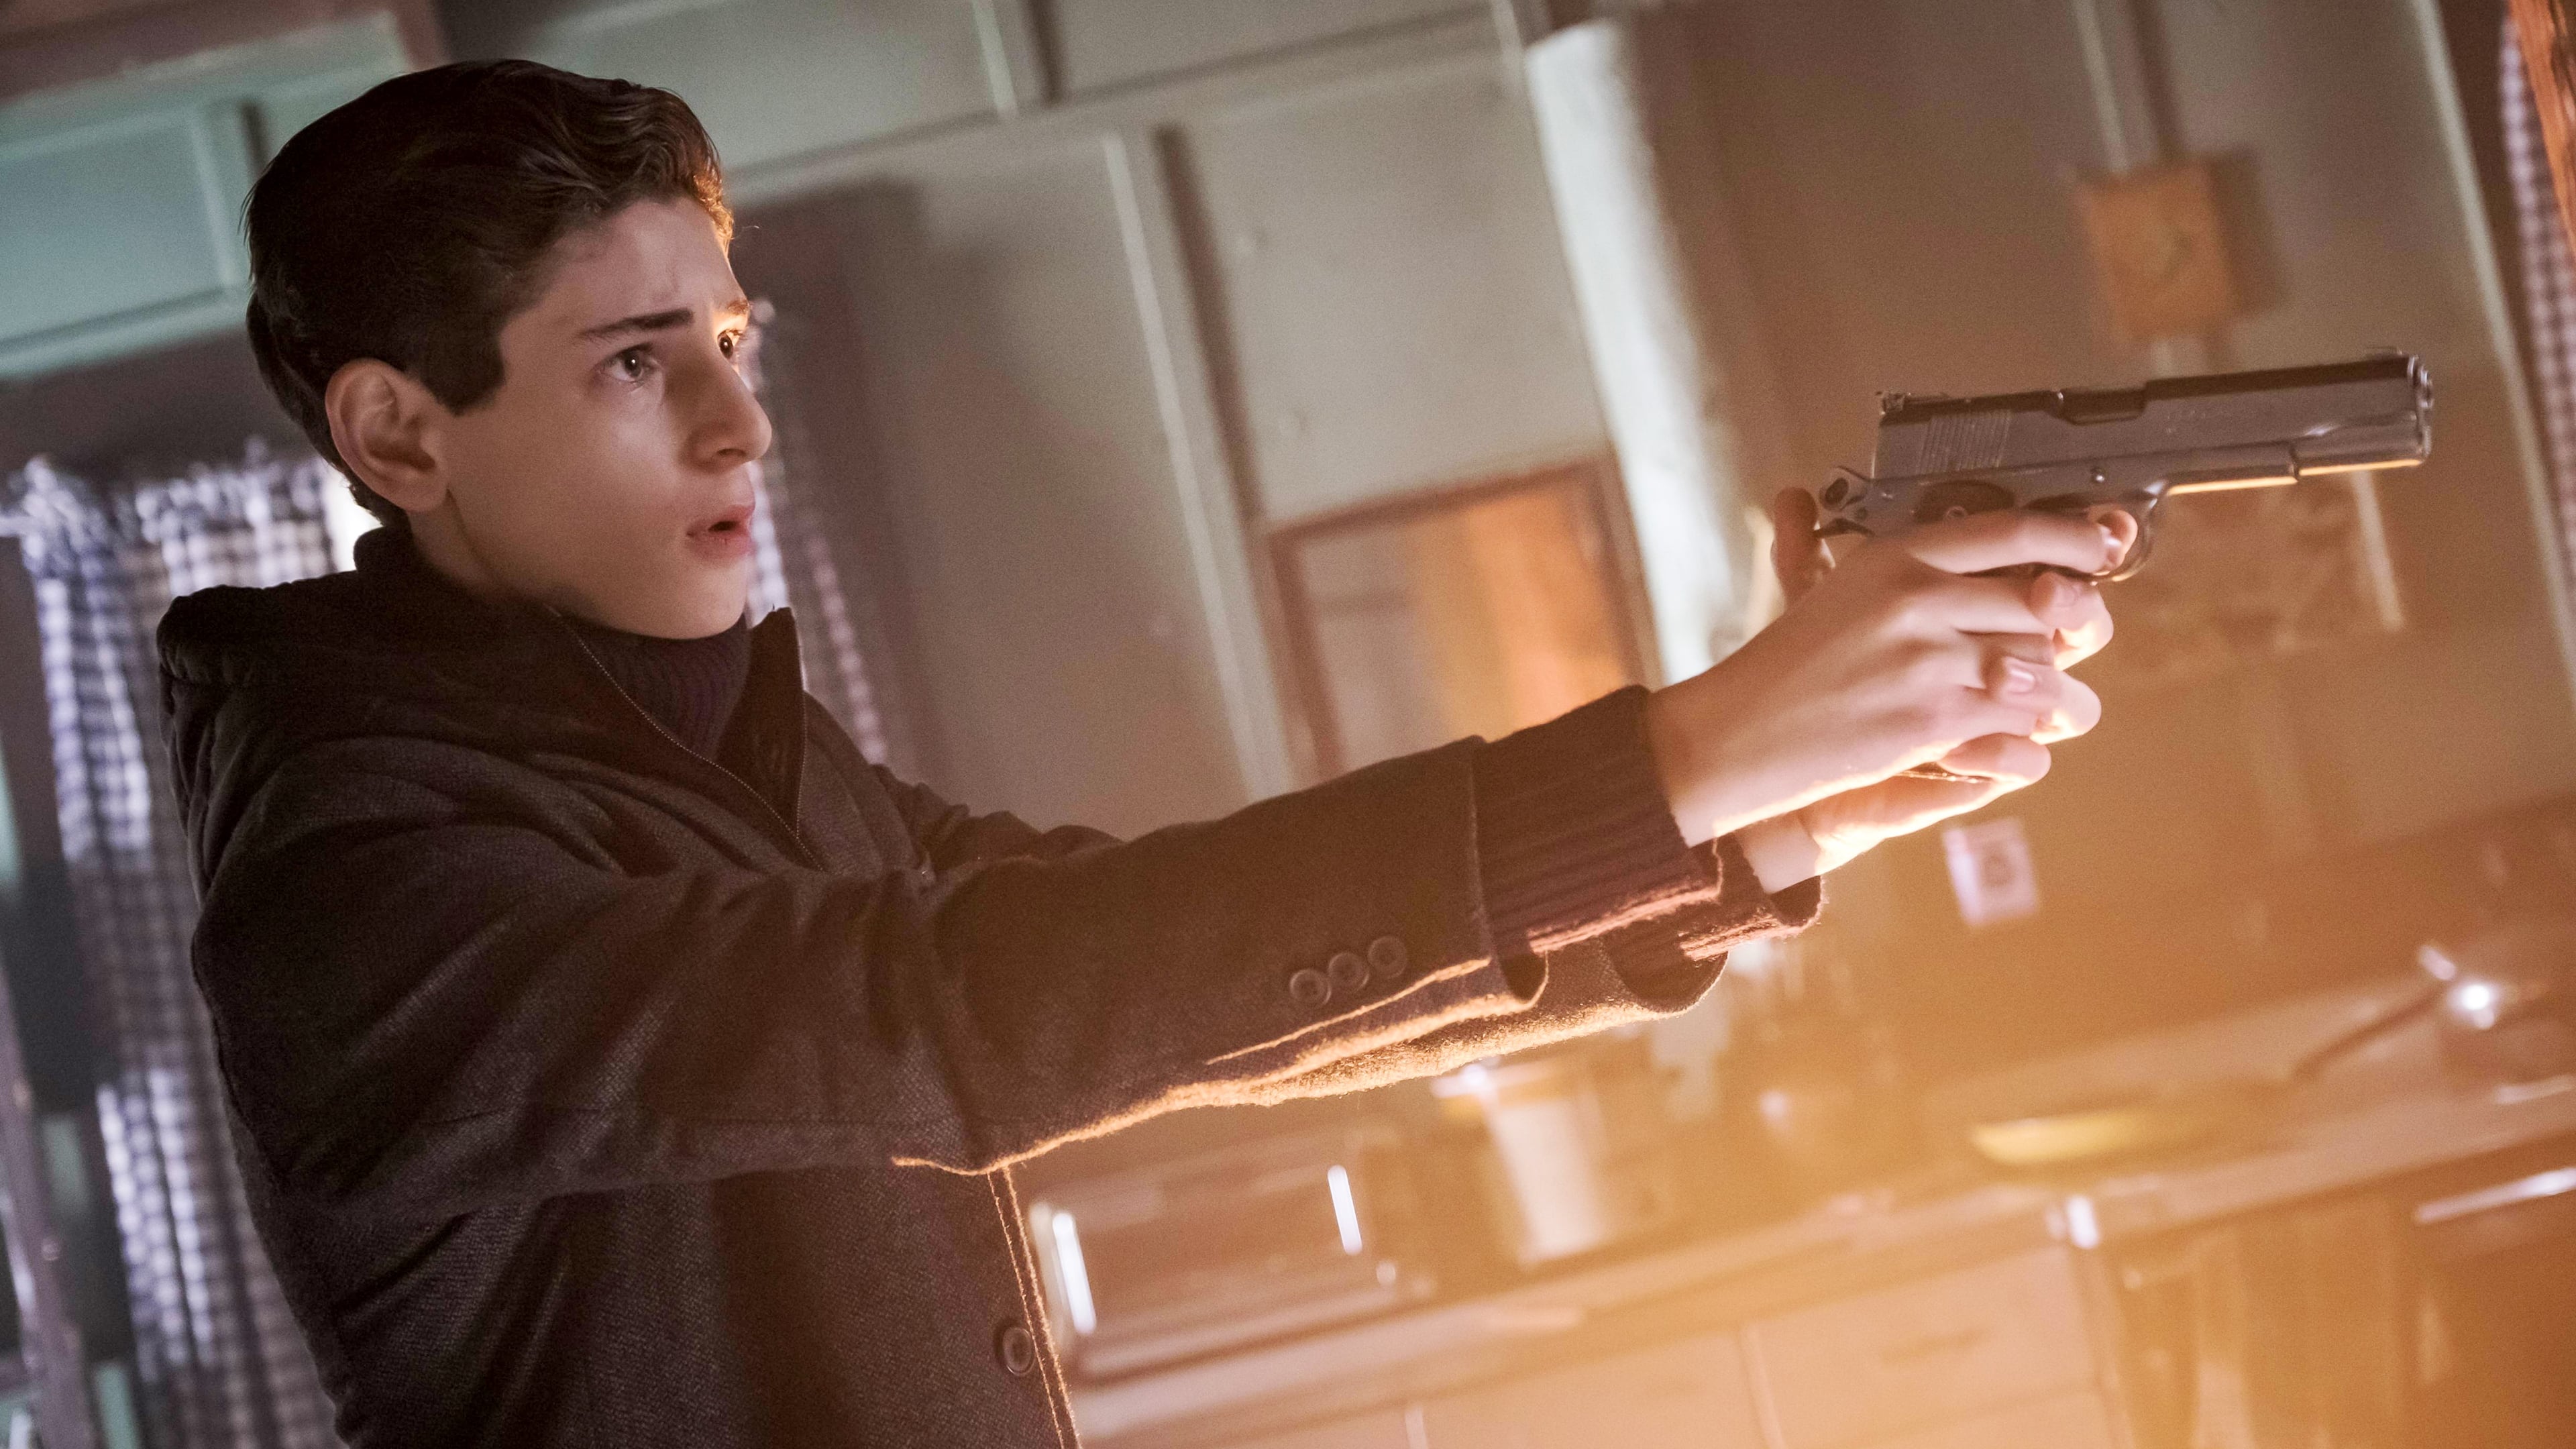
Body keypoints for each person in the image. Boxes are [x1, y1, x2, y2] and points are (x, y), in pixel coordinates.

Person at [160, 59, 2118, 1449]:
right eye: (631, 361)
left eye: (731, 343)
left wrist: (1761, 828)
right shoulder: (351, 882)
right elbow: (968, 1010)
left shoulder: (736, 756)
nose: (738, 425)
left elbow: (1188, 987)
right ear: (401, 435)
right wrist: (1684, 751)